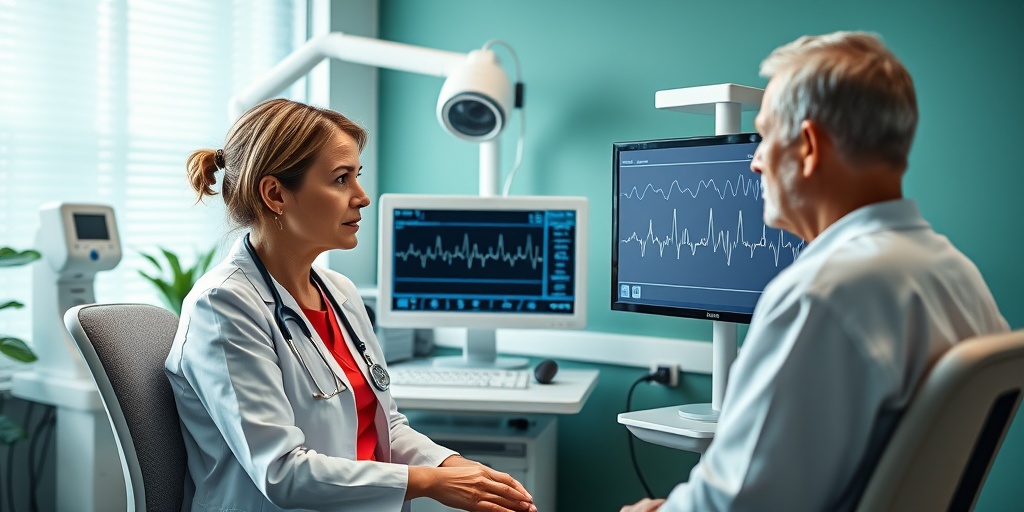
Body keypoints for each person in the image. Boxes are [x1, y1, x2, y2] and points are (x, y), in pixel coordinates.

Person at [621, 31, 1008, 512]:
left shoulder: (820, 296)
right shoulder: (960, 279)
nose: (755, 162)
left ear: (807, 146)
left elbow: (732, 505)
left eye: (764, 137)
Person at [166, 98, 537, 512]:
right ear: (275, 194)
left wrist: (455, 468)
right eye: (341, 180)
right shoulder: (223, 306)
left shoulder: (338, 292)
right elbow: (281, 472)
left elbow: (386, 427)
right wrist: (430, 481)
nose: (361, 197)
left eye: (357, 177)